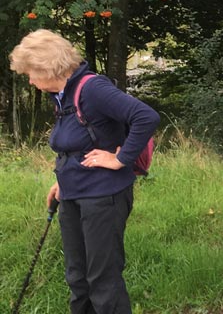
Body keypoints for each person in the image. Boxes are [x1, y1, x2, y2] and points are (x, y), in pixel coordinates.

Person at [10, 29, 160, 314]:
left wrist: (120, 159)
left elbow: (146, 116)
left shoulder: (92, 89)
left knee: (102, 281)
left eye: (30, 73)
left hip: (104, 197)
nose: (29, 80)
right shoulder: (62, 96)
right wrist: (61, 182)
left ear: (48, 67)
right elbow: (75, 145)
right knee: (77, 278)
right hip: (73, 195)